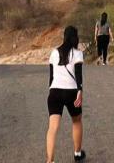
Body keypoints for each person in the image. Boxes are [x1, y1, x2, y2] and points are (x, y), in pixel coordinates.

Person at [46, 26, 86, 163]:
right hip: (71, 92)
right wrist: (80, 92)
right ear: (76, 38)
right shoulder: (78, 54)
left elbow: (51, 78)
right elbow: (79, 76)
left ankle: (50, 161)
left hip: (55, 92)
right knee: (77, 121)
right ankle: (77, 153)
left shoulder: (54, 53)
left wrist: (51, 92)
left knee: (52, 128)